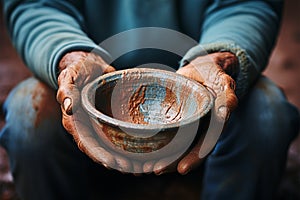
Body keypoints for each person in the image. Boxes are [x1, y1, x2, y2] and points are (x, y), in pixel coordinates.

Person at [1, 0, 299, 199]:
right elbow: (36, 5)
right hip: (88, 78)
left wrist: (218, 59)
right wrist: (70, 56)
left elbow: (244, 5)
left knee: (267, 115)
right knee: (29, 117)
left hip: (205, 87)